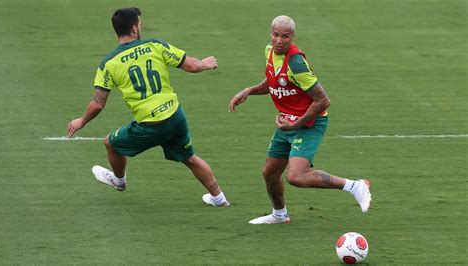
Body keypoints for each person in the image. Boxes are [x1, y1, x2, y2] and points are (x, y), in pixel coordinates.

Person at [67, 7, 229, 207]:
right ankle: (219, 198)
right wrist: (205, 63)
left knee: (110, 143)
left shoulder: (108, 64)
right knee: (189, 158)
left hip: (151, 125)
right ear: (134, 29)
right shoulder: (154, 45)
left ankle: (119, 181)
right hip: (175, 115)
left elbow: (98, 103)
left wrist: (81, 121)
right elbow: (192, 66)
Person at [229, 15, 371, 224]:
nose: (279, 40)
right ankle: (279, 214)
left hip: (309, 124)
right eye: (276, 35)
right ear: (271, 34)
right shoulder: (269, 51)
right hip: (287, 123)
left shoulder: (296, 64)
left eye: (285, 36)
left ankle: (355, 186)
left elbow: (323, 101)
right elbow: (273, 82)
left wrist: (295, 124)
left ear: (292, 37)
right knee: (270, 172)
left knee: (296, 176)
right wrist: (248, 91)